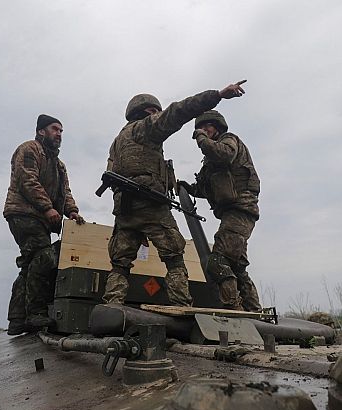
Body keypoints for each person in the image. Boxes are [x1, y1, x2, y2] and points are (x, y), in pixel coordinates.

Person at [102, 82, 246, 306]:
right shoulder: (145, 128)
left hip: (124, 209)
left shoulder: (118, 142)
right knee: (174, 258)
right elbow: (179, 110)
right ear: (146, 112)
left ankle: (112, 304)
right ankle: (181, 306)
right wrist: (217, 95)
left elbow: (112, 173)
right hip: (150, 205)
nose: (157, 114)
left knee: (120, 264)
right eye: (154, 111)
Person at [3, 114, 85, 335]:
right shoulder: (29, 149)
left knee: (31, 264)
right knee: (44, 258)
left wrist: (72, 211)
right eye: (54, 129)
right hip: (23, 213)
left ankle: (17, 319)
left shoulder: (59, 165)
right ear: (41, 131)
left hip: (40, 218)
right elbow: (28, 180)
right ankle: (35, 313)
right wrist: (48, 208)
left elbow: (65, 192)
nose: (59, 134)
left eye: (61, 131)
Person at [181, 110, 262, 311]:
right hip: (233, 213)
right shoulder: (211, 161)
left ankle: (233, 310)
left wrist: (201, 139)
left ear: (217, 126)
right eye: (200, 128)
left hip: (241, 211)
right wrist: (188, 188)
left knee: (217, 262)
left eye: (206, 126)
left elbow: (224, 155)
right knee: (237, 267)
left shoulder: (229, 141)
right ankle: (254, 311)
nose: (203, 130)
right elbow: (207, 188)